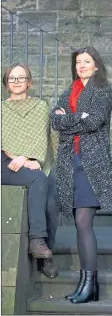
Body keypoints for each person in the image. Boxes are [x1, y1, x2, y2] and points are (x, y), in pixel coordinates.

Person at [51, 46, 112, 304]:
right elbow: (54, 120)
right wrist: (77, 116)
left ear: (96, 65)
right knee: (80, 226)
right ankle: (86, 284)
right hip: (71, 162)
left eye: (87, 61)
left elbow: (94, 122)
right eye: (78, 62)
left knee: (83, 222)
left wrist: (68, 117)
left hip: (92, 165)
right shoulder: (70, 89)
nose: (82, 66)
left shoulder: (102, 90)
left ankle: (90, 284)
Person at [1, 62, 58, 279]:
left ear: (29, 82)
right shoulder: (1, 109)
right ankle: (36, 239)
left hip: (34, 161)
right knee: (38, 180)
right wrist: (15, 157)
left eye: (21, 78)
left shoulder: (40, 106)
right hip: (5, 163)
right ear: (6, 83)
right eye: (12, 78)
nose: (16, 82)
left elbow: (41, 138)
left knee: (52, 198)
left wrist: (27, 157)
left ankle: (46, 254)